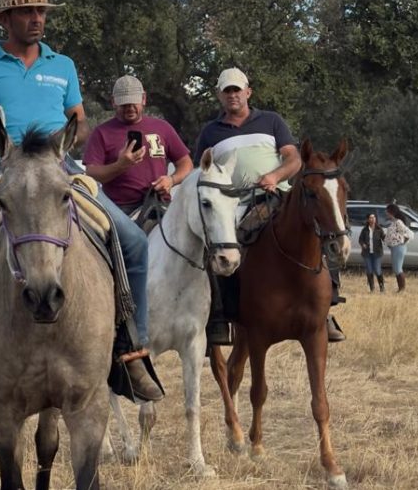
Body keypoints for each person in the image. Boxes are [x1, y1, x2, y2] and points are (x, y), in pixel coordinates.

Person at [0, 0, 162, 419]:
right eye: (26, 12)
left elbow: (79, 121)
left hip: (58, 166)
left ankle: (132, 351)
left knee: (132, 241)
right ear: (6, 18)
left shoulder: (64, 65)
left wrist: (72, 129)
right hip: (0, 168)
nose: (37, 19)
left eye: (41, 12)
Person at [193, 67, 345, 344]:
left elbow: (294, 159)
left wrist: (274, 176)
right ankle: (221, 317)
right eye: (227, 91)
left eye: (237, 90)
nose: (232, 95)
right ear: (219, 96)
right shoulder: (210, 132)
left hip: (279, 196)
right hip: (235, 203)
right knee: (220, 247)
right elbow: (201, 173)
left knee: (318, 227)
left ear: (248, 92)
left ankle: (326, 308)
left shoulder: (272, 121)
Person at [82, 75, 194, 215]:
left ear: (143, 99)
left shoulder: (163, 127)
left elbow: (186, 163)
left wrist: (171, 180)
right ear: (113, 102)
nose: (130, 108)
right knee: (134, 237)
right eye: (124, 103)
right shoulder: (101, 132)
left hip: (159, 203)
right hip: (120, 209)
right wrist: (120, 165)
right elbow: (91, 173)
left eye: (133, 102)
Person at [383, 204, 413, 292]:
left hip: (398, 247)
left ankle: (402, 289)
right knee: (396, 268)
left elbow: (409, 233)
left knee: (397, 268)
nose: (386, 213)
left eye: (387, 211)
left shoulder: (398, 222)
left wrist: (403, 240)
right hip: (394, 248)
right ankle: (400, 288)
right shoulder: (393, 222)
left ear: (391, 212)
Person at [359, 213, 385, 293]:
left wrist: (388, 239)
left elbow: (384, 238)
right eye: (370, 217)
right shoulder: (365, 229)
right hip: (367, 254)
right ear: (368, 219)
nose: (372, 219)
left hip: (377, 253)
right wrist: (363, 244)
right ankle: (372, 289)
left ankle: (382, 288)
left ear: (375, 219)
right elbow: (360, 240)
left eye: (374, 217)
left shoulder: (379, 229)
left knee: (377, 270)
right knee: (369, 271)